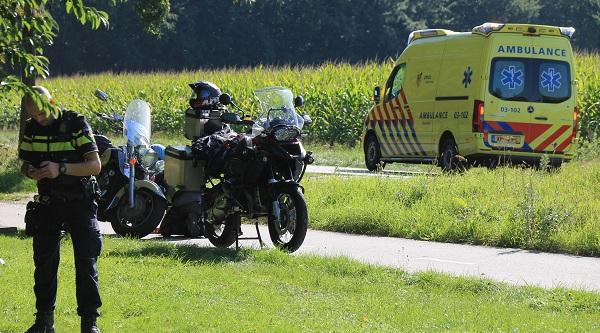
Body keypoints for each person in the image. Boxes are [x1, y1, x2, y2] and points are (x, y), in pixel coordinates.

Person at [19, 86, 103, 333]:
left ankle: (90, 323)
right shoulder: (33, 127)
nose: (39, 120)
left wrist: (61, 169)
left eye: (42, 114)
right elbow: (24, 163)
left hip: (80, 199)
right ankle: (44, 322)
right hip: (48, 200)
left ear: (51, 102)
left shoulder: (75, 123)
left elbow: (94, 165)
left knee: (86, 261)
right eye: (34, 116)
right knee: (44, 262)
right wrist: (30, 172)